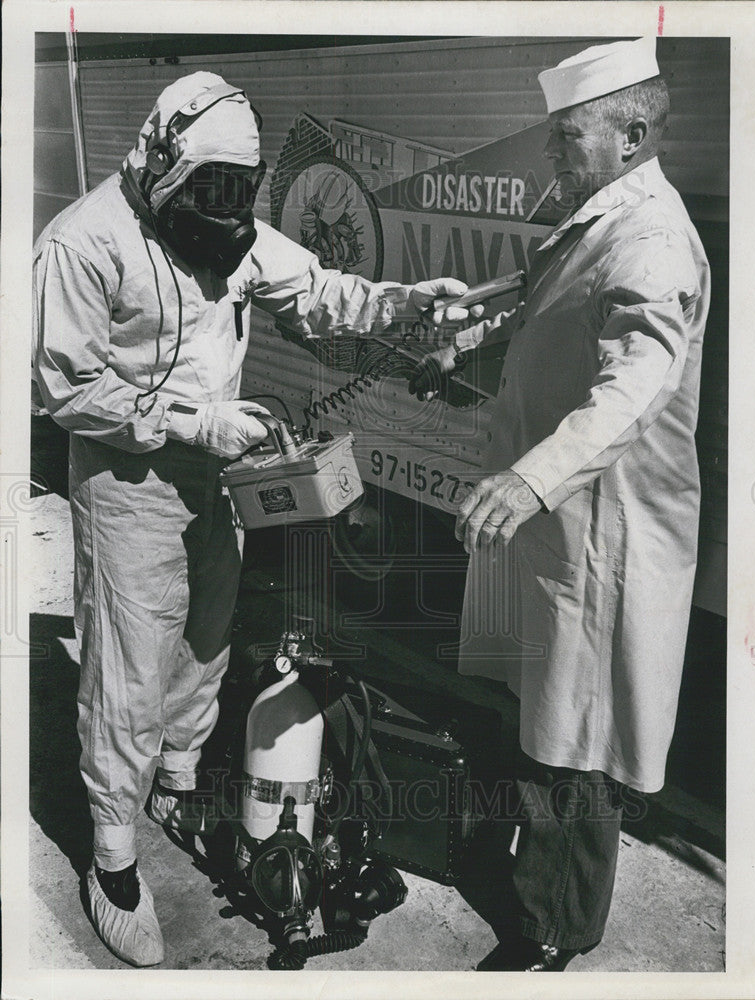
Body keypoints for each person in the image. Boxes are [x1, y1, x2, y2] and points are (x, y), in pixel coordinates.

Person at [31, 71, 476, 968]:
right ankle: (113, 856)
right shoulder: (83, 244)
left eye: (241, 191)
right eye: (209, 190)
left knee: (208, 633)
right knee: (127, 661)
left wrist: (405, 304)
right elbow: (60, 386)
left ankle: (181, 783)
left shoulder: (232, 236)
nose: (226, 212)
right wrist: (195, 421)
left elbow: (317, 294)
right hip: (129, 478)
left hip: (219, 473)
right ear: (163, 162)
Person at [409, 37, 710, 971]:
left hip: (599, 532)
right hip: (558, 529)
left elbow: (631, 386)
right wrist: (468, 345)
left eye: (566, 135)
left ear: (628, 136)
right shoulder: (602, 213)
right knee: (542, 714)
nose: (550, 153)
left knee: (579, 741)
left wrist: (531, 476)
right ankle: (538, 887)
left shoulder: (652, 240)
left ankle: (554, 932)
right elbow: (548, 311)